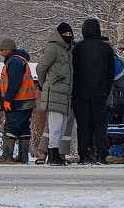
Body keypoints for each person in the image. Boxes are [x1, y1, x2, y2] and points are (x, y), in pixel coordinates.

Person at [72, 17, 117, 165]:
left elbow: (73, 71)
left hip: (80, 92)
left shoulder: (78, 48)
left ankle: (84, 154)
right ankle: (101, 154)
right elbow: (111, 73)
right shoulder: (106, 48)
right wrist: (105, 89)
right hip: (99, 92)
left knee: (83, 125)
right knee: (100, 125)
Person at [36, 22, 74, 165]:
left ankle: (55, 153)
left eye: (70, 35)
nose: (68, 37)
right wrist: (44, 83)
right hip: (54, 93)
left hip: (64, 95)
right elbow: (41, 68)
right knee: (56, 125)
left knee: (62, 125)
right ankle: (53, 153)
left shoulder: (68, 51)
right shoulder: (53, 48)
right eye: (66, 34)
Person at [0, 37, 37, 164]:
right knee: (24, 128)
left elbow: (14, 82)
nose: (0, 53)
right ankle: (23, 157)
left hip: (18, 101)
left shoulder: (14, 61)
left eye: (2, 50)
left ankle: (6, 157)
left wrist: (7, 100)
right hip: (28, 101)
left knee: (11, 128)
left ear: (8, 50)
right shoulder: (21, 60)